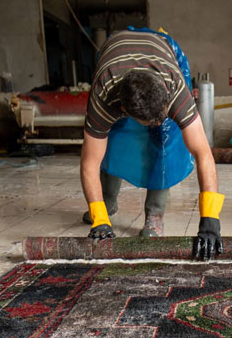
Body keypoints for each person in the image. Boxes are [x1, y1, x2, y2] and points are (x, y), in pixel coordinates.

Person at [80, 29, 223, 260]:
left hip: (165, 50)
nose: (157, 122)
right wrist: (99, 220)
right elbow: (89, 162)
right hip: (113, 53)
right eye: (151, 120)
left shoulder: (174, 87)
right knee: (112, 138)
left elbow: (203, 153)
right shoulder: (104, 95)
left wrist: (210, 218)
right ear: (124, 110)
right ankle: (105, 204)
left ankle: (155, 214)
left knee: (165, 138)